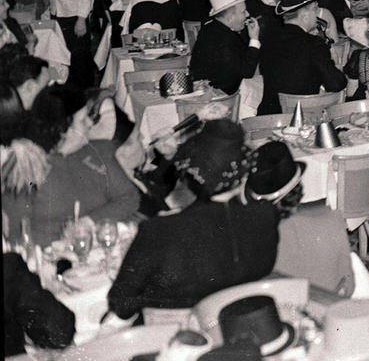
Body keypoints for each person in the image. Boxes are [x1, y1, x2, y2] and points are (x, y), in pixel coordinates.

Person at [108, 120, 279, 317]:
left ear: (188, 175)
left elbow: (121, 304)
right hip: (246, 320)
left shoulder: (159, 230)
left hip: (178, 331)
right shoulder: (266, 215)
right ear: (244, 173)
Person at [5, 84, 139, 245]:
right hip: (53, 256)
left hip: (103, 245)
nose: (90, 123)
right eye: (82, 120)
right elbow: (17, 234)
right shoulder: (28, 166)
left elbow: (130, 198)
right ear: (63, 129)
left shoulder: (97, 151)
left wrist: (89, 221)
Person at [244, 140, 354, 296]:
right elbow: (349, 285)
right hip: (329, 307)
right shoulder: (333, 219)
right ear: (299, 184)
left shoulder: (254, 237)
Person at [256, 0, 347, 115]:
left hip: (270, 118)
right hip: (303, 120)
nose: (316, 16)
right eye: (313, 11)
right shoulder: (314, 44)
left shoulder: (267, 41)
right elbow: (336, 84)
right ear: (304, 15)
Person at [188, 0, 262, 97]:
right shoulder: (225, 40)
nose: (247, 14)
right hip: (219, 99)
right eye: (243, 11)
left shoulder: (210, 28)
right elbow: (248, 71)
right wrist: (254, 39)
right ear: (230, 17)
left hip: (206, 91)